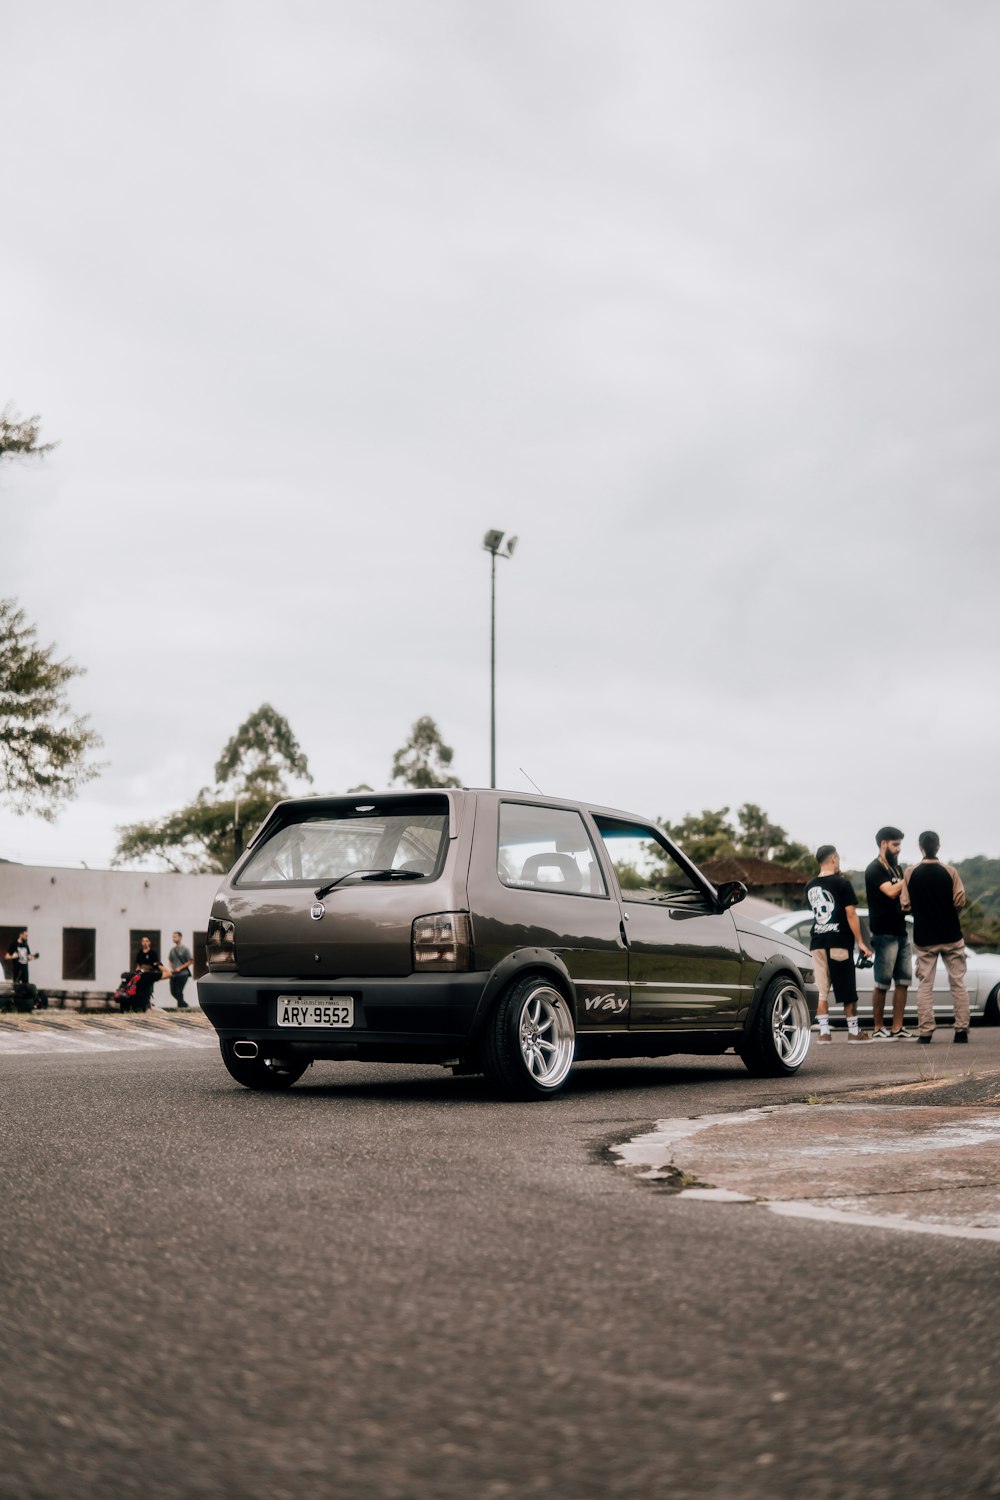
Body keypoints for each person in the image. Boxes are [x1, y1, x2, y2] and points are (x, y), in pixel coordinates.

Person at [902, 831, 970, 1043]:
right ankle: (961, 1031)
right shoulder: (950, 871)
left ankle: (926, 1032)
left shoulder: (911, 873)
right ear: (938, 847)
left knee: (925, 985)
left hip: (924, 937)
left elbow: (905, 904)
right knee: (958, 982)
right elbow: (960, 901)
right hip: (951, 934)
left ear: (921, 847)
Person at [806, 845, 874, 1043]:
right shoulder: (843, 884)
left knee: (821, 989)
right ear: (834, 858)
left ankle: (824, 1032)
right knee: (846, 988)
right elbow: (851, 914)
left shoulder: (810, 886)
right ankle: (854, 1033)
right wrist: (861, 942)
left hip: (817, 942)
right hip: (839, 942)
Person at [864, 826, 914, 1039]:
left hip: (901, 932)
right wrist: (911, 875)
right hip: (883, 934)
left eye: (900, 844)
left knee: (903, 981)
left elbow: (903, 895)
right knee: (882, 983)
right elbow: (892, 891)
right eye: (895, 844)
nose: (899, 849)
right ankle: (878, 1028)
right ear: (883, 844)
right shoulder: (874, 869)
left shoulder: (898, 869)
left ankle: (897, 1027)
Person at [131, 935, 163, 1013]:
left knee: (149, 990)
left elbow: (156, 964)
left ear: (149, 942)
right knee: (140, 990)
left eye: (146, 941)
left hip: (150, 974)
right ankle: (141, 1006)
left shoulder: (152, 953)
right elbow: (138, 965)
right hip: (142, 974)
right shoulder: (140, 953)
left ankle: (148, 1005)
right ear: (142, 943)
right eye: (143, 941)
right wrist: (137, 973)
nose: (145, 943)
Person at [167, 931, 193, 1008]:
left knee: (179, 991)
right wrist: (171, 968)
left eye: (175, 937)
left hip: (183, 974)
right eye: (173, 937)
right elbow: (170, 961)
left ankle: (181, 1006)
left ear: (180, 937)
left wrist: (180, 968)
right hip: (174, 974)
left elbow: (191, 961)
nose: (173, 938)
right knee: (173, 992)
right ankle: (185, 1005)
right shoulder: (172, 950)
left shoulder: (185, 949)